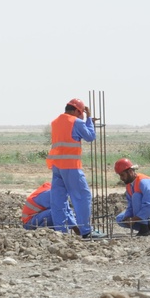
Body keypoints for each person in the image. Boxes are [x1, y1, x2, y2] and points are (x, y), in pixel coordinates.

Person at [46, 98, 105, 239]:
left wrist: (86, 122)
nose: (83, 115)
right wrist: (89, 119)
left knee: (58, 201)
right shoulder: (76, 122)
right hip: (71, 167)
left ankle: (61, 233)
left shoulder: (55, 122)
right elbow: (90, 136)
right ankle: (86, 231)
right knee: (83, 197)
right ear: (78, 111)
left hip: (57, 167)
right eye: (83, 112)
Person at [114, 158, 150, 236]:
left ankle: (144, 230)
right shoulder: (129, 186)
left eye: (122, 175)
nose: (121, 178)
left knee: (136, 196)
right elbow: (131, 206)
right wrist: (128, 217)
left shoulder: (143, 182)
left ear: (130, 172)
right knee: (120, 219)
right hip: (149, 214)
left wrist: (134, 219)